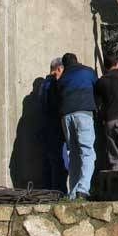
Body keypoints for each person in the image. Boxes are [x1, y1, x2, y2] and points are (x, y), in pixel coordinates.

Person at [57, 52, 98, 200]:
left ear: (65, 65)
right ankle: (83, 188)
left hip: (66, 117)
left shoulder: (62, 78)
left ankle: (73, 193)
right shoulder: (88, 72)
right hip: (83, 114)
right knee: (87, 152)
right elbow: (97, 88)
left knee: (73, 153)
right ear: (77, 60)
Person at [40, 57, 67, 193]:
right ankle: (59, 191)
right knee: (60, 160)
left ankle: (53, 189)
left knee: (52, 159)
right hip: (56, 125)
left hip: (47, 125)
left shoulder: (44, 84)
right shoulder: (54, 84)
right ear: (59, 69)